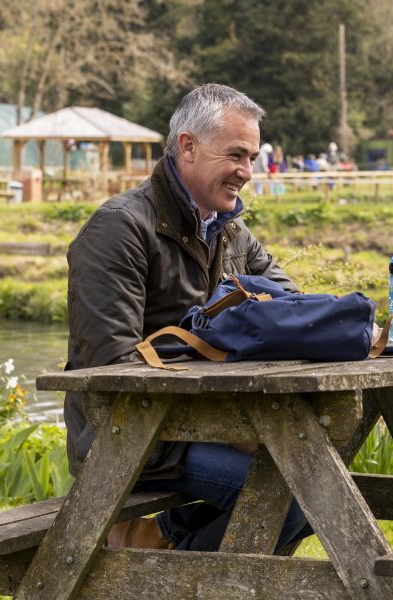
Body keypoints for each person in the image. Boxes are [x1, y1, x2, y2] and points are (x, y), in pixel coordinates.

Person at [64, 83, 312, 552]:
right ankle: (165, 557)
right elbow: (110, 370)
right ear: (188, 147)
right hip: (130, 437)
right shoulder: (118, 229)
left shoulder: (232, 231)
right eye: (236, 155)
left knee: (312, 479)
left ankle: (155, 540)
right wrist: (231, 429)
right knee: (301, 497)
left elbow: (292, 311)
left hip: (200, 432)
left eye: (252, 158)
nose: (246, 171)